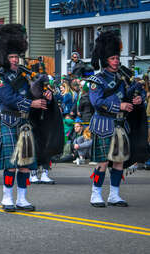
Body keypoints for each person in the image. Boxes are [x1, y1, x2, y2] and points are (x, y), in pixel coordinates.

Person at [0, 24, 58, 212]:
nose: (14, 60)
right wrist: (31, 104)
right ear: (4, 57)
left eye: (16, 56)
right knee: (11, 165)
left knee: (26, 164)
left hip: (26, 123)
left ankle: (22, 199)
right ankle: (7, 198)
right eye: (11, 57)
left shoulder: (27, 75)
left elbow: (34, 94)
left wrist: (46, 96)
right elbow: (8, 99)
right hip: (9, 121)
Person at [87, 30, 147, 208]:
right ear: (105, 59)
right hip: (104, 124)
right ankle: (95, 193)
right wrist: (119, 106)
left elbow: (134, 91)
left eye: (117, 57)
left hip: (120, 125)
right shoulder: (96, 80)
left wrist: (139, 97)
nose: (116, 61)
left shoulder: (123, 78)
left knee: (119, 160)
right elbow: (96, 102)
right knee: (103, 161)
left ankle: (114, 194)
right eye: (113, 58)